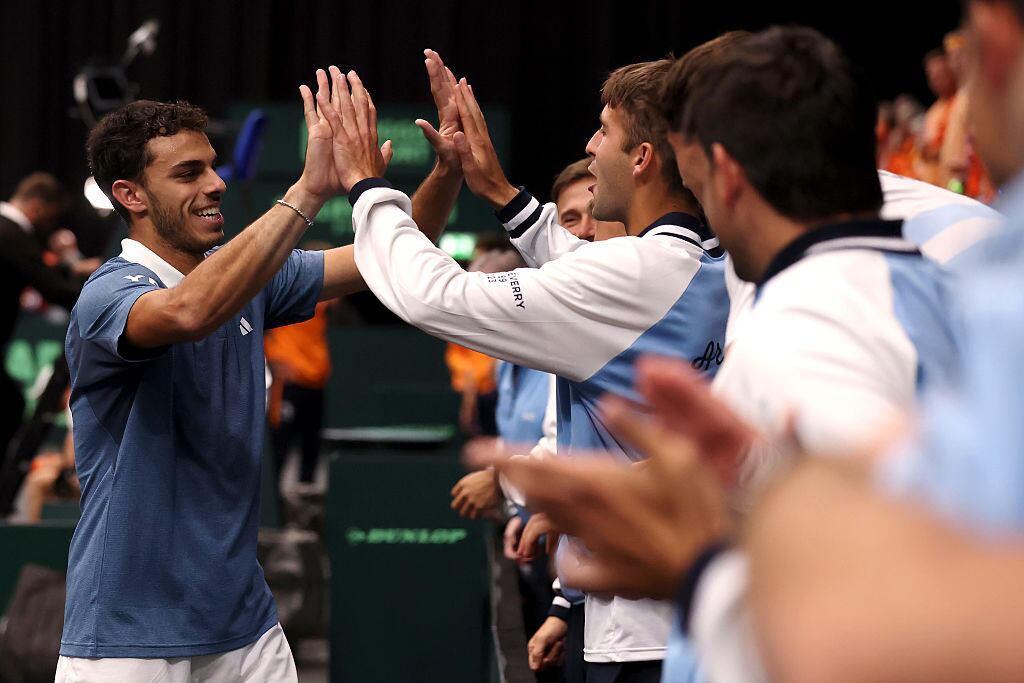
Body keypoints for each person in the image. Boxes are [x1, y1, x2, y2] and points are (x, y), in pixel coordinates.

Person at [56, 62, 457, 681]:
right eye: (187, 173)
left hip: (245, 623)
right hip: (127, 633)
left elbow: (398, 252)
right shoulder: (108, 293)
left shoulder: (248, 275)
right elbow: (189, 310)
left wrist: (447, 171)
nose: (215, 184)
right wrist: (306, 191)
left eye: (213, 166)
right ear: (130, 195)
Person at [342, 51, 729, 681]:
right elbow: (590, 275)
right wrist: (496, 187)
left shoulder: (631, 274)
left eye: (604, 130)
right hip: (685, 612)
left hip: (639, 626)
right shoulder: (704, 261)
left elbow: (432, 296)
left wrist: (367, 188)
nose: (589, 144)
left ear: (643, 158)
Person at [0, 173, 96, 465]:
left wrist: (73, 270)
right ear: (39, 207)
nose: (51, 226)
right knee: (9, 406)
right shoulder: (12, 232)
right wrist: (100, 299)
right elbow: (52, 287)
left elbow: (36, 268)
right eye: (52, 218)